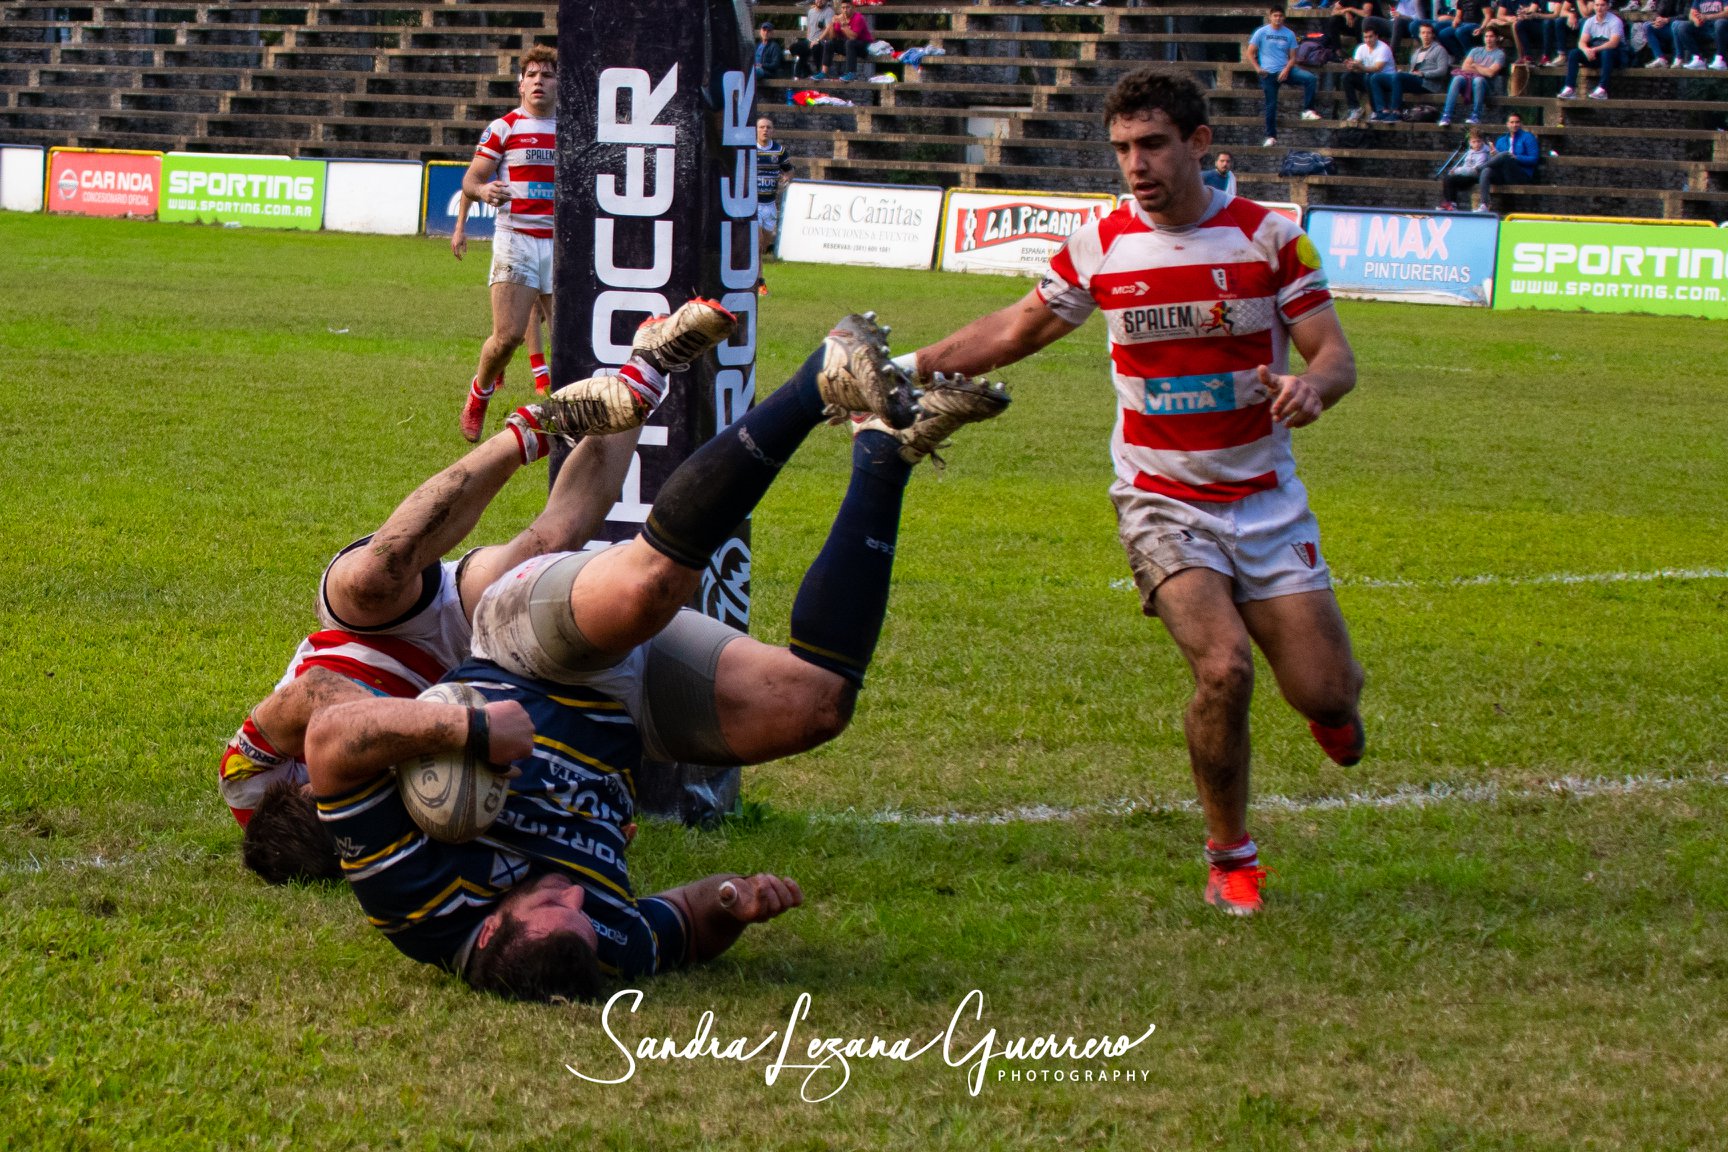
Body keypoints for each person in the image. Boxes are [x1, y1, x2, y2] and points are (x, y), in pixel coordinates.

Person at [304, 317, 1012, 998]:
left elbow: (330, 742)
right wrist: (732, 904)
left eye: (556, 902)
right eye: (588, 910)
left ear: (489, 934)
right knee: (813, 707)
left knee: (650, 590)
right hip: (624, 711)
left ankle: (820, 379)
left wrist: (471, 730)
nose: (578, 892)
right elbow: (682, 927)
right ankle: (886, 446)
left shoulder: (418, 903)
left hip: (522, 652)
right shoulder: (604, 941)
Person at [893, 69, 1366, 917]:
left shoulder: (1271, 237)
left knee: (1328, 694)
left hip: (1266, 499)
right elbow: (1015, 328)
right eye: (1121, 149)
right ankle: (1232, 856)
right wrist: (902, 372)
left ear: (1199, 143)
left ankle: (1328, 711)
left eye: (1152, 145)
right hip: (1159, 499)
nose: (1136, 165)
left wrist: (1314, 390)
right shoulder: (1104, 242)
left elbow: (1333, 353)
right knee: (1222, 669)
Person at [230, 299, 739, 885]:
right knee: (545, 546)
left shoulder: (248, 783)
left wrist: (400, 732)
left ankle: (533, 427)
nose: (338, 785)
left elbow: (312, 693)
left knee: (373, 577)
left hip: (354, 631)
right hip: (454, 662)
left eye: (319, 789)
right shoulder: (381, 824)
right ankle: (646, 368)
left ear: (294, 793)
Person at [458, 45, 556, 443]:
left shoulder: (573, 129)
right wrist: (483, 191)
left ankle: (563, 418)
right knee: (508, 337)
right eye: (531, 74)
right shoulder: (504, 128)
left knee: (571, 342)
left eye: (547, 75)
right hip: (516, 238)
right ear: (520, 84)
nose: (538, 81)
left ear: (558, 84)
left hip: (561, 243)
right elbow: (471, 179)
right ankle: (479, 392)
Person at [452, 189, 551, 396]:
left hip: (548, 237)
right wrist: (460, 227)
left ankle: (499, 362)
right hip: (516, 243)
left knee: (527, 319)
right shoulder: (504, 161)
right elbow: (471, 185)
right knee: (532, 308)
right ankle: (541, 377)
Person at [1245, 7, 1322, 148]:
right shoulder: (1261, 32)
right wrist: (1257, 68)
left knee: (1310, 78)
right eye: (1275, 16)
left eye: (1280, 16)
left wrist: (1286, 69)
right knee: (1271, 105)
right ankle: (1271, 136)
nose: (1278, 18)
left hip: (1285, 70)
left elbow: (1293, 57)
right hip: (1268, 73)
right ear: (1270, 17)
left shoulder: (1289, 34)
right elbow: (1250, 52)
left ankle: (1307, 110)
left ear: (1284, 17)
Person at [1369, 20, 1452, 118]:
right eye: (1423, 33)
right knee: (1376, 78)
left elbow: (1442, 71)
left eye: (1428, 33)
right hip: (1415, 80)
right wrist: (1405, 73)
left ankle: (1396, 112)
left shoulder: (1439, 50)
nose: (1426, 35)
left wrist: (1423, 74)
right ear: (1419, 35)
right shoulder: (1417, 52)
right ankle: (1382, 111)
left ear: (1433, 35)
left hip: (1428, 83)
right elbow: (1412, 71)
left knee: (1398, 77)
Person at [1438, 25, 1507, 124]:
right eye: (1486, 36)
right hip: (1469, 81)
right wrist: (1483, 70)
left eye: (1491, 36)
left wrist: (1476, 65)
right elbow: (1465, 67)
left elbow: (1491, 73)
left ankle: (1476, 115)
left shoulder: (1499, 54)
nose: (1488, 39)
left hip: (1486, 86)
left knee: (1478, 80)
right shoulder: (1475, 50)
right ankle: (1446, 115)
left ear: (1496, 38)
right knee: (1457, 78)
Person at [754, 117, 792, 297]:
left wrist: (787, 177)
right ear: (756, 130)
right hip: (754, 205)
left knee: (763, 247)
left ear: (773, 131)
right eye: (761, 127)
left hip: (770, 204)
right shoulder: (749, 149)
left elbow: (789, 169)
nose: (765, 130)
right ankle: (760, 282)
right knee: (757, 243)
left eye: (768, 127)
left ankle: (755, 277)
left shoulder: (779, 150)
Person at [1560, 0, 1625, 97]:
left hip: (1614, 56)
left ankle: (1603, 89)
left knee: (1607, 52)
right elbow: (1582, 42)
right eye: (1597, 5)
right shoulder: (1590, 21)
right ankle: (1570, 88)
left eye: (1602, 5)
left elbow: (1613, 43)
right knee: (1574, 53)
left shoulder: (1615, 21)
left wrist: (1594, 50)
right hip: (1596, 55)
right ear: (1593, 6)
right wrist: (1586, 50)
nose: (1599, 8)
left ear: (1607, 6)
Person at [1341, 23, 1398, 120]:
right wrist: (1352, 66)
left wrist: (1360, 66)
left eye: (1370, 37)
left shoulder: (1383, 48)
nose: (1368, 40)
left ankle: (1376, 111)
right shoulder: (1361, 48)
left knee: (1371, 77)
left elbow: (1377, 68)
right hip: (1370, 79)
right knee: (1347, 76)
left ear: (1376, 36)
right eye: (1365, 37)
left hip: (1385, 81)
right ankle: (1355, 108)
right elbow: (1358, 65)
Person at [813, 0, 873, 81]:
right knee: (829, 43)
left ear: (853, 8)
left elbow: (853, 37)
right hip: (849, 47)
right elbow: (833, 37)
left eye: (848, 7)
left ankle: (851, 73)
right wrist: (832, 25)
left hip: (864, 47)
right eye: (843, 8)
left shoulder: (858, 18)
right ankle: (823, 72)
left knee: (850, 43)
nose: (845, 10)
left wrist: (843, 25)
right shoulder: (840, 17)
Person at [1438, 126, 1495, 207]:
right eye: (1474, 142)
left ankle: (1451, 204)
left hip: (1477, 176)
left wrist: (1458, 170)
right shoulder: (1470, 152)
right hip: (1468, 174)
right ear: (1470, 143)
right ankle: (1451, 203)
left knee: (1452, 178)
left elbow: (1475, 171)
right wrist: (1456, 171)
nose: (1476, 144)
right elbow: (1466, 165)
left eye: (1478, 141)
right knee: (1448, 178)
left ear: (1482, 141)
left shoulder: (1484, 153)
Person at [792, 0, 834, 79]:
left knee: (816, 47)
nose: (820, 1)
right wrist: (808, 40)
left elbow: (828, 28)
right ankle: (807, 71)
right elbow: (809, 27)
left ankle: (819, 71)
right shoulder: (811, 11)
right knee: (794, 48)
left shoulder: (829, 11)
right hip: (810, 40)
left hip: (822, 41)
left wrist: (817, 40)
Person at [1686, 0, 1728, 69]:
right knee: (1681, 26)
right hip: (1703, 27)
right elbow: (1691, 14)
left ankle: (1721, 59)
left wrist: (1707, 17)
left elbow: (1727, 13)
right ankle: (1698, 58)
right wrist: (1695, 20)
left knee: (1720, 23)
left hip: (1720, 27)